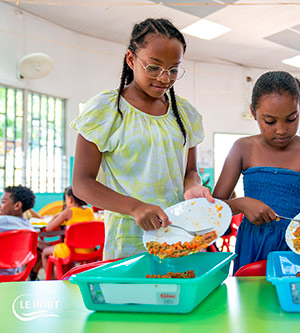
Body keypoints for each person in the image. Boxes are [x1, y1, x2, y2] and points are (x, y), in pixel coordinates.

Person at [71, 18, 213, 260]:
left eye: (174, 69)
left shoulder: (184, 113)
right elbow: (82, 183)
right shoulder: (106, 110)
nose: (164, 78)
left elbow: (189, 171)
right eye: (154, 67)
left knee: (180, 294)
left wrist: (193, 188)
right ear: (131, 60)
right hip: (128, 239)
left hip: (179, 233)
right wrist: (135, 208)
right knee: (133, 296)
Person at [213, 71, 300, 272]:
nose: (281, 130)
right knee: (251, 300)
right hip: (253, 244)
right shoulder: (242, 148)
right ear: (253, 112)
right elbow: (213, 210)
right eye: (270, 121)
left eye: (291, 118)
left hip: (297, 246)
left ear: (299, 109)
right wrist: (241, 203)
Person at [41, 186, 96, 271]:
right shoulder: (89, 211)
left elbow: (48, 228)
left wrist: (56, 216)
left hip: (71, 251)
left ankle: (50, 279)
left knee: (45, 252)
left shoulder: (68, 212)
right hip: (90, 250)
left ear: (70, 199)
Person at [0, 185, 36, 276]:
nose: (0, 206)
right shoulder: (28, 226)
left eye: (3, 202)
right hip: (11, 274)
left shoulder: (4, 221)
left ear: (17, 205)